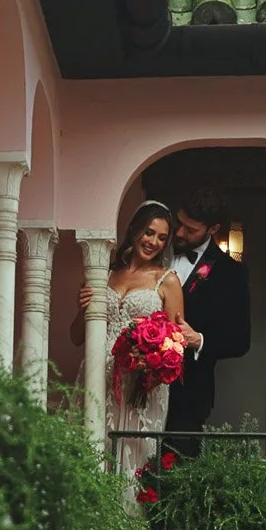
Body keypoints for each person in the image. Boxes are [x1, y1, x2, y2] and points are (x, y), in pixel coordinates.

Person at [71, 200, 184, 475]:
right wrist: (81, 308)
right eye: (149, 232)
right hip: (99, 375)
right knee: (92, 452)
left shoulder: (167, 280)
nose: (154, 242)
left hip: (139, 386)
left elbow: (175, 345)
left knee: (130, 463)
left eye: (161, 237)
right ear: (134, 229)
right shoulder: (104, 275)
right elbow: (76, 337)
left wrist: (148, 366)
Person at [162, 186, 251, 456]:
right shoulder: (152, 248)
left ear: (212, 229)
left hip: (189, 394)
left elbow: (241, 340)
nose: (179, 233)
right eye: (179, 223)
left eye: (190, 230)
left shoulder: (230, 273)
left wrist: (198, 340)